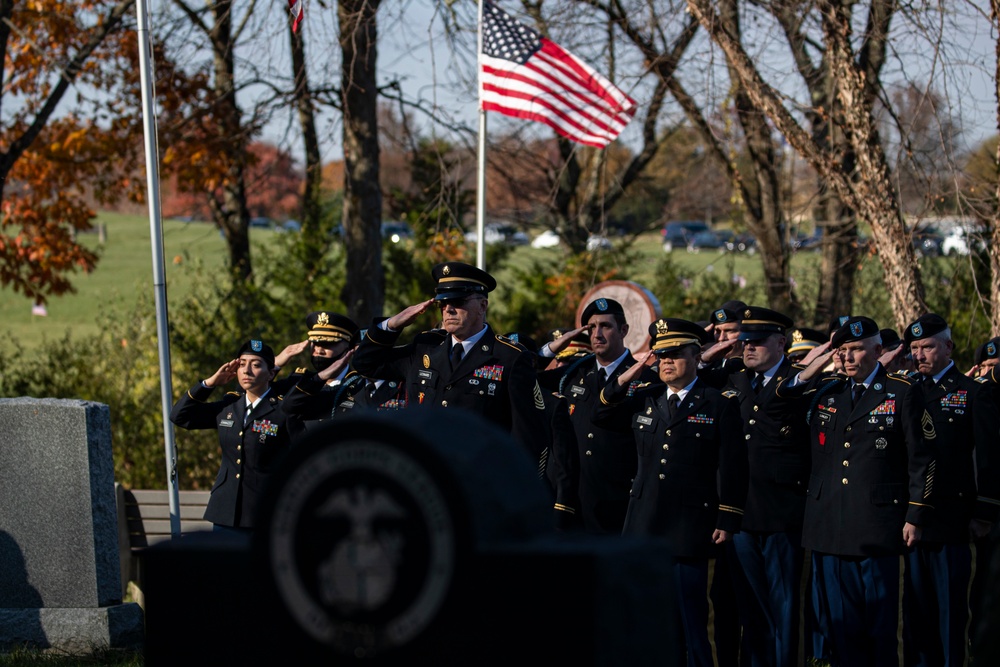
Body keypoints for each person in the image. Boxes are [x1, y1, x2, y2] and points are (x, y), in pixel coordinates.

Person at [775, 317, 934, 666]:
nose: (847, 358)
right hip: (829, 524)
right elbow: (778, 400)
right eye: (841, 351)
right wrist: (817, 363)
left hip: (876, 525)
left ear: (878, 351)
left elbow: (922, 460)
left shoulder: (901, 392)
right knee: (840, 626)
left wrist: (915, 514)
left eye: (856, 350)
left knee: (877, 626)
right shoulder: (825, 390)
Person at [596, 317, 747, 667]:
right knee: (649, 622)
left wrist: (728, 518)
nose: (666, 361)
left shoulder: (718, 404)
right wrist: (635, 370)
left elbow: (733, 467)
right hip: (645, 526)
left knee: (694, 624)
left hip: (689, 528)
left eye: (675, 354)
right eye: (661, 355)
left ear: (696, 356)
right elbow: (603, 412)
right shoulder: (644, 399)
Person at [351, 261, 547, 461]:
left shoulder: (509, 357)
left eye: (459, 301)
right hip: (427, 477)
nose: (449, 310)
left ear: (482, 306)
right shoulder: (425, 348)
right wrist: (391, 325)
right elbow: (366, 363)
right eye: (443, 303)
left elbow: (527, 435)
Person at [902, 314, 1000, 667]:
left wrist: (984, 513)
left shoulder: (974, 392)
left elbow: (988, 459)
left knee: (948, 616)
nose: (919, 355)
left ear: (948, 347)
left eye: (927, 346)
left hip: (952, 522)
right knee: (915, 618)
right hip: (913, 523)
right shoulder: (907, 390)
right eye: (913, 348)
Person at [723, 307, 811, 667]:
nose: (748, 348)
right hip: (742, 511)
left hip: (781, 513)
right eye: (745, 341)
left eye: (757, 342)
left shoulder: (799, 382)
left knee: (784, 607)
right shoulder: (735, 379)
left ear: (781, 343)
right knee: (751, 607)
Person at [536, 297, 660, 535]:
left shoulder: (645, 379)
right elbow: (525, 376)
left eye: (606, 326)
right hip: (570, 496)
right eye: (591, 328)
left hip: (617, 497)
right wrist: (553, 347)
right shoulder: (573, 373)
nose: (597, 334)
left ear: (624, 330)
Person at [170, 339, 305, 531]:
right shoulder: (228, 407)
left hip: (264, 514)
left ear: (271, 373)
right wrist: (210, 383)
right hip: (225, 512)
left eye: (256, 365)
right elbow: (180, 416)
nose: (247, 371)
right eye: (242, 365)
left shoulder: (284, 411)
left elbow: (300, 459)